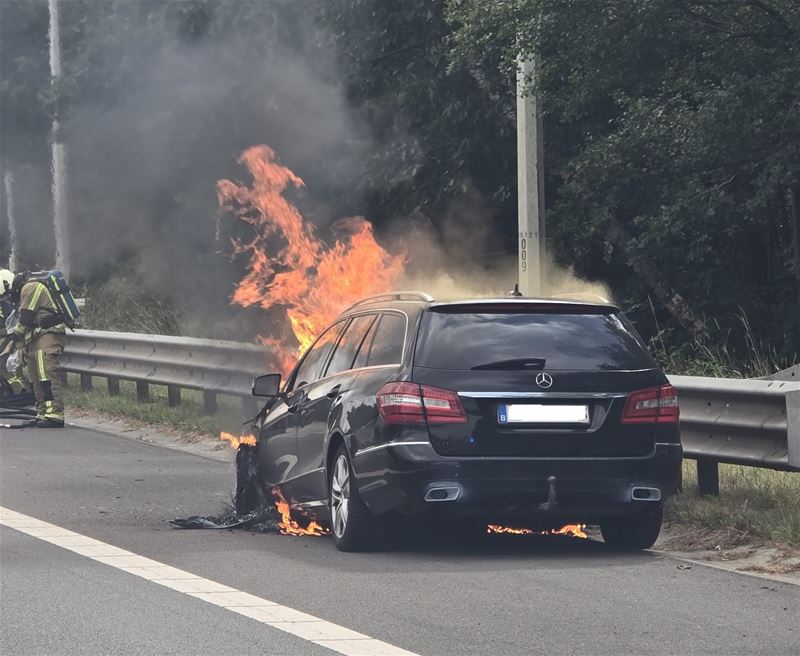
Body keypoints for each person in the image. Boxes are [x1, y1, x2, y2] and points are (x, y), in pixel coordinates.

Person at [0, 269, 65, 428]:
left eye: (7, 295)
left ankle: (54, 413)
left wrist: (13, 338)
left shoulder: (31, 287)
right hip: (36, 336)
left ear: (8, 285)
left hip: (48, 334)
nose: (9, 298)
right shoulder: (24, 290)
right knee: (34, 376)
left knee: (46, 374)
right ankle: (42, 412)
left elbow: (26, 317)